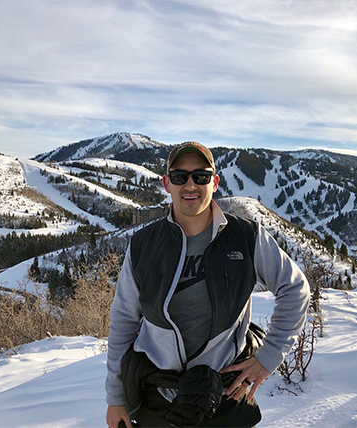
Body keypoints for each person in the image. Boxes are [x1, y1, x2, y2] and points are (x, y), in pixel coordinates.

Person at [105, 141, 310, 428]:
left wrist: (268, 357)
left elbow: (295, 289)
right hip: (158, 397)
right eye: (180, 177)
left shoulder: (245, 236)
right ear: (167, 183)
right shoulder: (143, 245)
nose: (191, 185)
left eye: (200, 176)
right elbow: (124, 322)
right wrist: (115, 399)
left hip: (225, 394)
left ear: (214, 182)